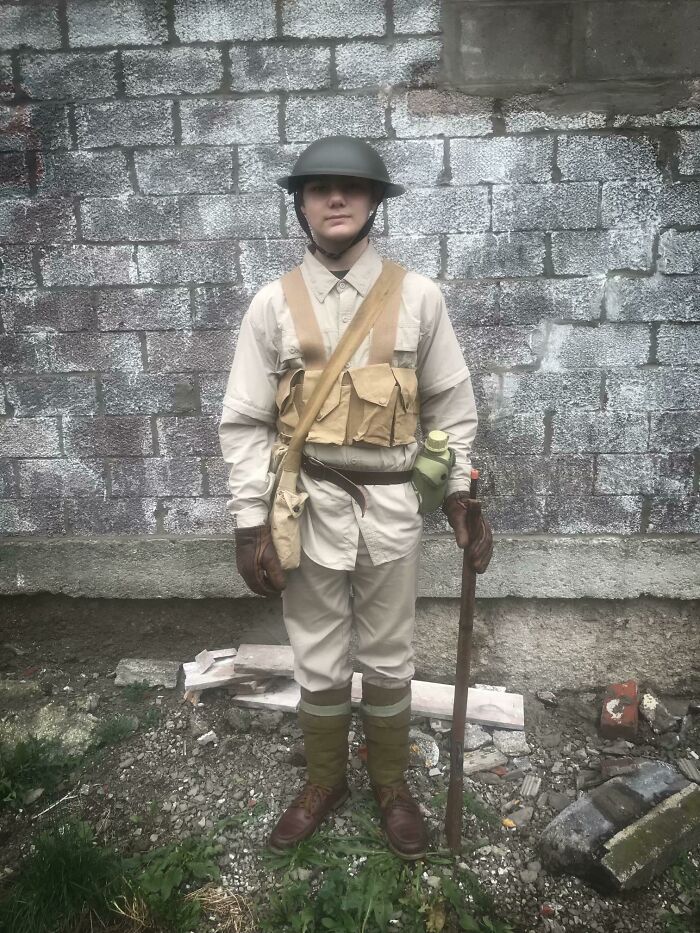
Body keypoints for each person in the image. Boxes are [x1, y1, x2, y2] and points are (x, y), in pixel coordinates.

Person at [218, 136, 493, 861]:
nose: (334, 199)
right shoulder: (271, 305)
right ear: (301, 205)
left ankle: (391, 784)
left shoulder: (419, 297)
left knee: (390, 651)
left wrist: (461, 495)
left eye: (350, 187)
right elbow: (245, 421)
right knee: (315, 652)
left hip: (391, 508)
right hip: (301, 507)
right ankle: (326, 780)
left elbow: (452, 410)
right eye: (318, 188)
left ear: (374, 202)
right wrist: (249, 523)